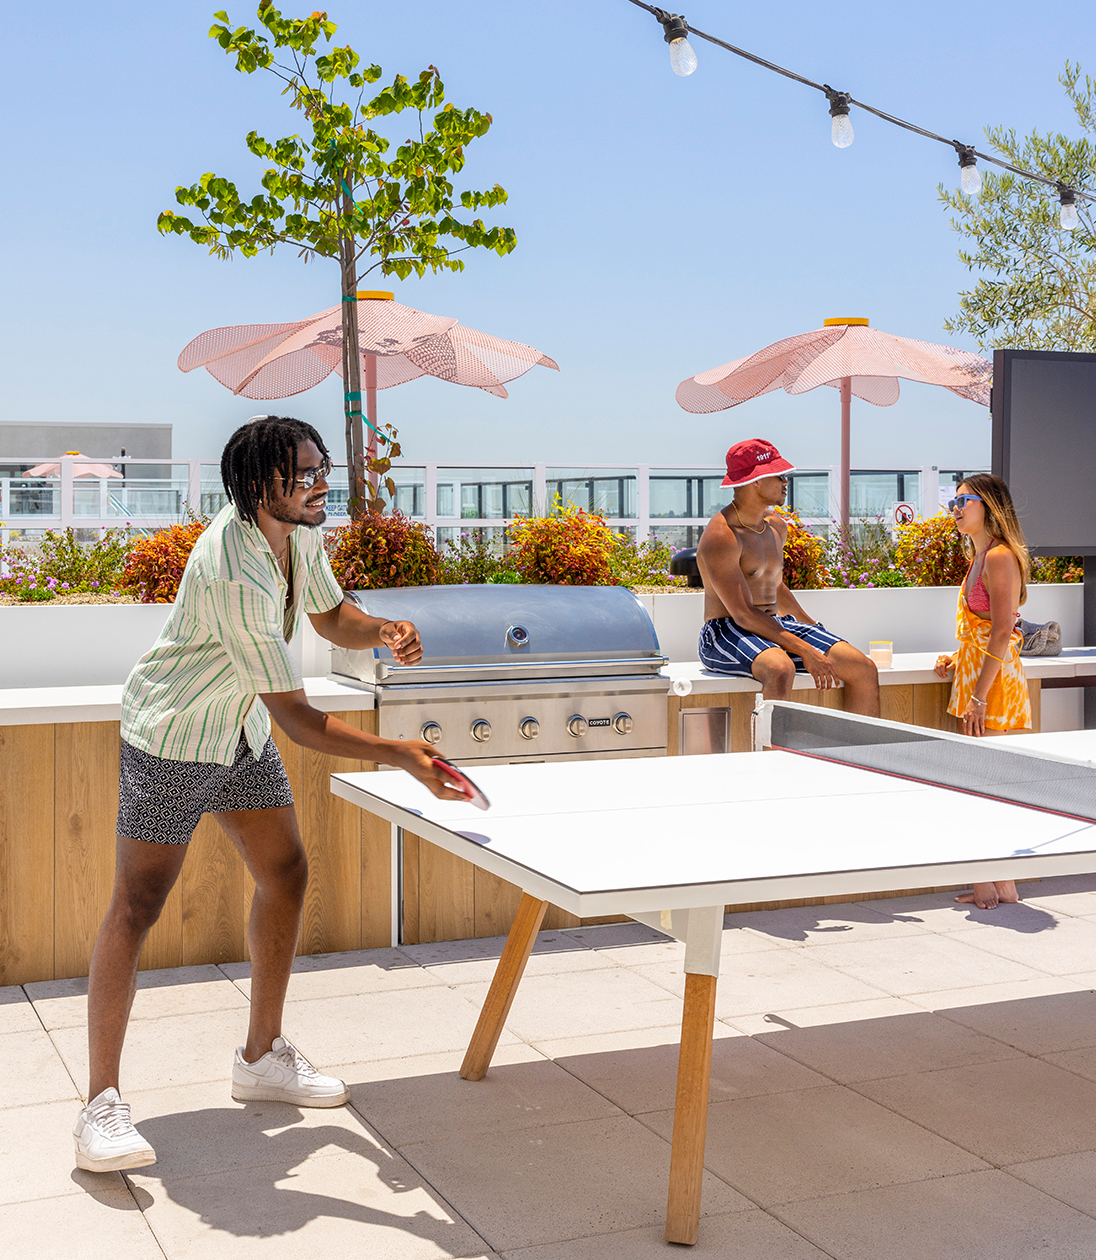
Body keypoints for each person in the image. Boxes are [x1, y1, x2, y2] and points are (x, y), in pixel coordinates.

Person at [74, 416, 468, 1174]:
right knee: (139, 904)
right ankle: (99, 1106)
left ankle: (260, 1059)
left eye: (323, 469)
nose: (323, 484)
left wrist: (384, 629)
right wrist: (399, 754)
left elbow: (328, 615)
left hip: (240, 727)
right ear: (262, 486)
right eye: (305, 474)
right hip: (175, 736)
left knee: (285, 875)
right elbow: (298, 717)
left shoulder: (297, 534)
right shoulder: (232, 566)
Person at [695, 438, 880, 715]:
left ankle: (853, 756)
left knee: (862, 667)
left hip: (773, 624)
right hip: (726, 630)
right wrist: (806, 650)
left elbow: (776, 588)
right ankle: (772, 757)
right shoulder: (722, 536)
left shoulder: (775, 527)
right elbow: (743, 614)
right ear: (755, 480)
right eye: (778, 475)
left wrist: (814, 630)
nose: (786, 481)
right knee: (781, 668)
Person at [934, 473, 1031, 910]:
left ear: (989, 506)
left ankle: (990, 886)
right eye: (952, 504)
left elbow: (1002, 633)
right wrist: (957, 660)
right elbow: (980, 630)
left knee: (984, 791)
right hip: (979, 678)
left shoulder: (999, 557)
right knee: (988, 788)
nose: (955, 511)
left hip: (991, 687)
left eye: (963, 503)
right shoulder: (981, 556)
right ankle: (1000, 884)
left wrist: (977, 695)